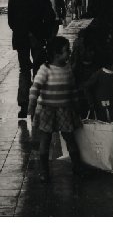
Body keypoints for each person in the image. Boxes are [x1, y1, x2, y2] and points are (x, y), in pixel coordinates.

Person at [28, 36, 84, 182]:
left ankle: (77, 167)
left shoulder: (68, 69)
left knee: (70, 138)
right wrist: (32, 106)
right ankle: (44, 171)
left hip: (65, 110)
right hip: (47, 110)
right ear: (56, 53)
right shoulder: (45, 69)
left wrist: (77, 105)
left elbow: (73, 89)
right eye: (67, 51)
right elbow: (35, 88)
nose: (69, 53)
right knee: (45, 140)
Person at [8, 0, 56, 118]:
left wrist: (23, 31)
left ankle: (24, 105)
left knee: (24, 70)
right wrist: (46, 36)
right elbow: (50, 17)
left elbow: (11, 22)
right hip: (38, 37)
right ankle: (38, 103)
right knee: (38, 70)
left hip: (21, 38)